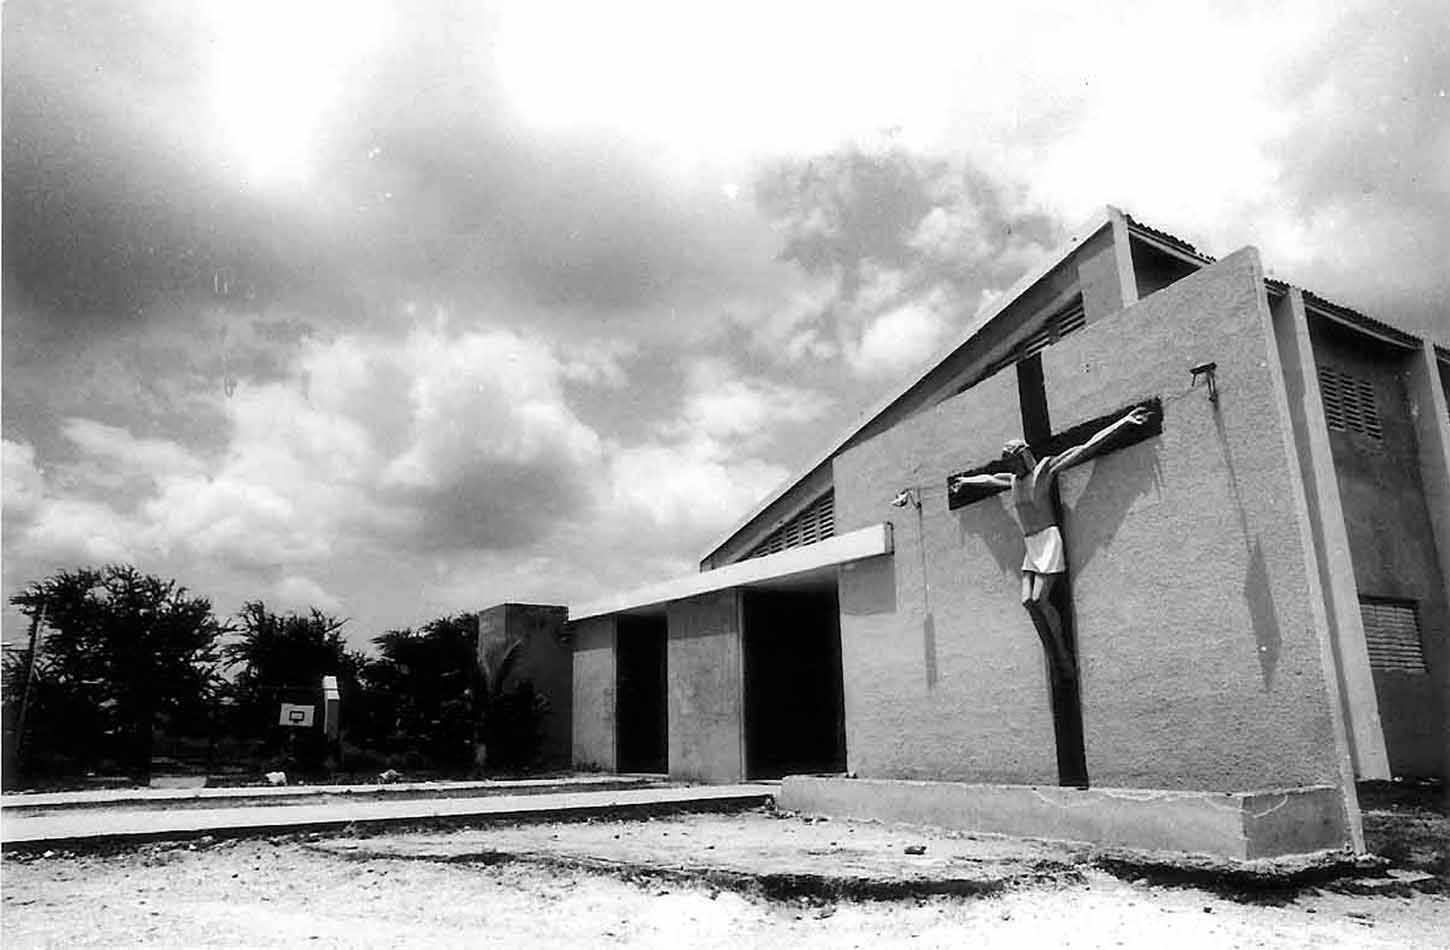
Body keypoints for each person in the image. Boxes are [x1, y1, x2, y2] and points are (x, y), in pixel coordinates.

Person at [951, 406, 1151, 673]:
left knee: (1040, 600)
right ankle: (1053, 653)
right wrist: (965, 480)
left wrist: (1123, 423)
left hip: (1048, 540)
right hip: (1031, 544)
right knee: (1028, 602)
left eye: (1013, 460)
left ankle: (1061, 654)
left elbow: (1084, 448)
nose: (1010, 466)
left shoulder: (1043, 471)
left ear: (1023, 456)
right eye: (1008, 463)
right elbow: (988, 479)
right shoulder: (1012, 481)